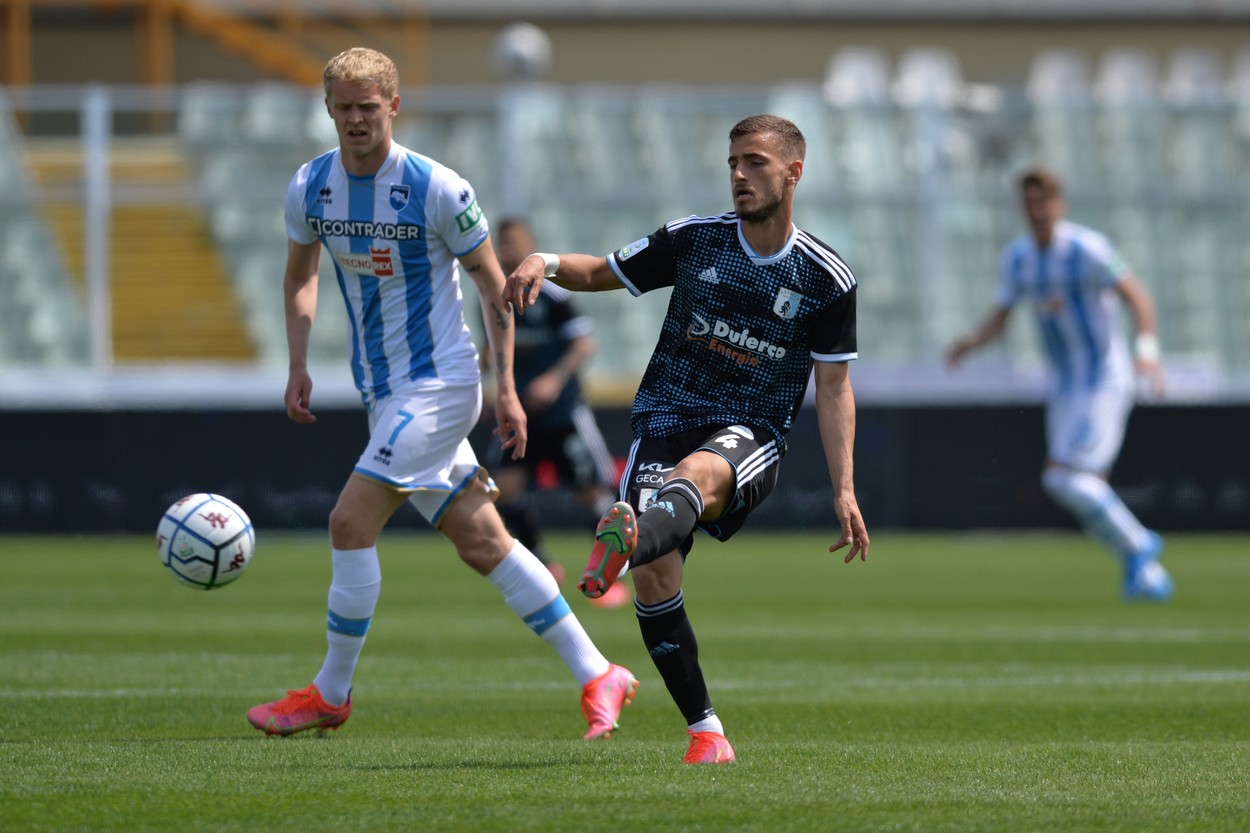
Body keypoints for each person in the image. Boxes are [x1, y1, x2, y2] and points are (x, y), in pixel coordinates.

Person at [246, 47, 637, 740]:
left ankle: (331, 692)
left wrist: (505, 389)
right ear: (328, 109)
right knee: (485, 541)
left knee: (347, 522)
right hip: (384, 391)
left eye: (371, 107)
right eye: (346, 108)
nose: (358, 119)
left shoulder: (436, 187)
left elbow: (496, 287)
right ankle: (598, 671)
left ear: (393, 106)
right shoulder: (310, 186)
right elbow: (299, 275)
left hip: (442, 384)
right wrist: (298, 361)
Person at [502, 114, 870, 765]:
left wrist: (844, 486)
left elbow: (835, 386)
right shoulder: (695, 240)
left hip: (749, 431)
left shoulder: (825, 277)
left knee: (691, 480)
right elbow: (599, 273)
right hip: (665, 419)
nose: (739, 175)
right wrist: (546, 260)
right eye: (733, 162)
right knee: (653, 577)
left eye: (755, 162)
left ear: (794, 172)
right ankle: (706, 730)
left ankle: (631, 532)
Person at [946, 166, 1171, 601]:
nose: (1037, 211)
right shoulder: (1018, 259)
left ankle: (1141, 545)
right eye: (1030, 204)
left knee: (1069, 481)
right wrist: (971, 344)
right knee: (1076, 484)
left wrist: (1147, 353)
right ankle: (1149, 577)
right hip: (1066, 385)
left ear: (1059, 204)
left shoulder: (1087, 249)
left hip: (1104, 378)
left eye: (1044, 202)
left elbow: (1139, 298)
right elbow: (1002, 317)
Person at [486, 217, 628, 609]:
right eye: (503, 244)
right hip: (520, 417)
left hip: (563, 413)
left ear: (530, 244)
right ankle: (543, 564)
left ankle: (607, 575)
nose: (508, 251)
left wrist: (553, 379)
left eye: (514, 243)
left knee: (592, 493)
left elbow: (583, 345)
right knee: (503, 491)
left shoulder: (552, 295)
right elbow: (491, 351)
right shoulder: (498, 297)